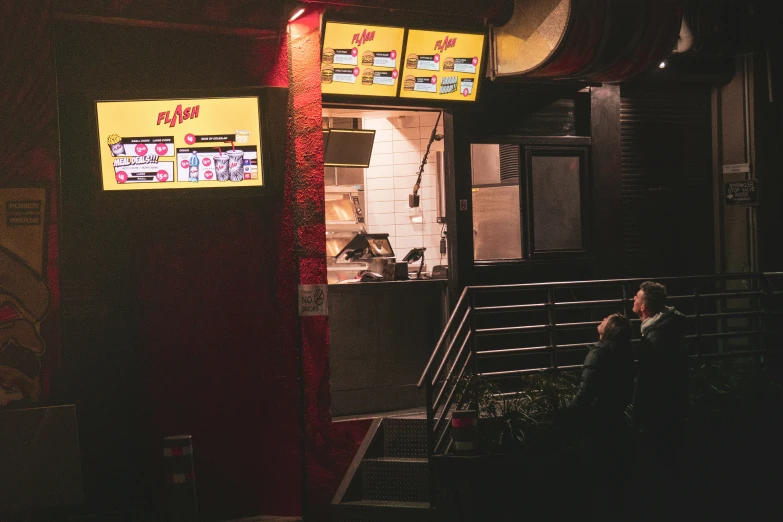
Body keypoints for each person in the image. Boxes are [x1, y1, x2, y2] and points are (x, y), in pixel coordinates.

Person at [568, 313, 635, 522]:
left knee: (589, 481)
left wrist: (567, 414)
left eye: (606, 319)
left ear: (611, 329)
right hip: (616, 423)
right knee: (614, 483)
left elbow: (585, 392)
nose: (602, 320)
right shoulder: (626, 354)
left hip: (596, 426)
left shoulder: (599, 354)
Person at [631, 281, 689, 521]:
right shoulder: (666, 329)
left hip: (659, 410)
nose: (632, 299)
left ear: (644, 307)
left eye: (636, 297)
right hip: (673, 405)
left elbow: (651, 379)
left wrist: (639, 410)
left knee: (659, 458)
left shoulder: (655, 338)